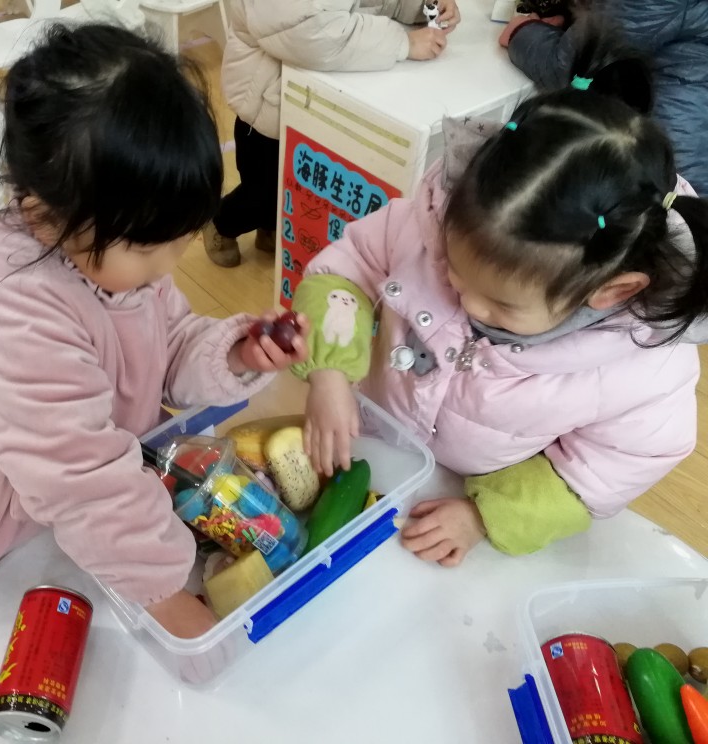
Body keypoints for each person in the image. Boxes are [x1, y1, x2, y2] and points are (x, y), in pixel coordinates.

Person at [0, 23, 308, 687]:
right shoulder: (12, 308)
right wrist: (167, 595)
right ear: (44, 215)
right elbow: (83, 482)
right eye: (150, 248)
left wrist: (237, 352)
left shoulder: (111, 249)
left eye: (180, 240)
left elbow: (169, 347)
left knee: (80, 621)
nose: (168, 267)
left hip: (83, 494)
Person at [290, 26, 708, 567]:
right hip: (374, 434)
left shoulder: (642, 365)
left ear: (611, 290)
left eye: (503, 306)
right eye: (454, 274)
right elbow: (348, 269)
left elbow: (614, 463)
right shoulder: (431, 221)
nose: (468, 306)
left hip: (469, 491)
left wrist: (486, 515)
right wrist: (328, 371)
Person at [203, 0, 460, 268]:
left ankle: (270, 227)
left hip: (324, 90)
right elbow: (306, 30)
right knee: (265, 191)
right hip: (270, 103)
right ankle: (222, 222)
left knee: (301, 190)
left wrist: (424, 6)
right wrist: (402, 42)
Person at [499, 0, 708, 194]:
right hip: (677, 134)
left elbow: (567, 68)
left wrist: (522, 30)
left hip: (665, 153)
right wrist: (572, 28)